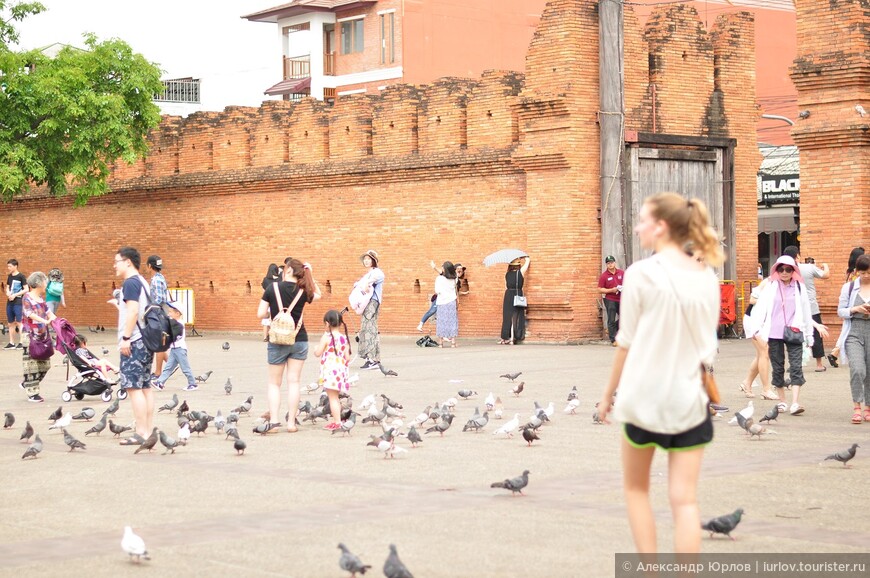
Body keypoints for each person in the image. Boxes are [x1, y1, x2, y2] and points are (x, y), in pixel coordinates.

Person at [597, 192, 722, 554]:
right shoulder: (707, 277)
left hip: (643, 398)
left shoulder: (640, 274)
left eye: (642, 220)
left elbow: (626, 343)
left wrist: (607, 396)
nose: (638, 227)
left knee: (637, 491)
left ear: (661, 226)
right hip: (689, 401)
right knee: (685, 502)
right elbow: (707, 346)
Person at [750, 255, 828, 416]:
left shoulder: (799, 288)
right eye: (781, 269)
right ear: (776, 270)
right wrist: (756, 328)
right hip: (774, 333)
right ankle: (782, 401)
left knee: (796, 366)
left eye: (788, 269)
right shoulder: (771, 286)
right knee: (778, 367)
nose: (784, 272)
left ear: (794, 271)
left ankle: (795, 402)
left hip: (795, 331)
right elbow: (761, 308)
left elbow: (806, 312)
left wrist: (809, 335)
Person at [257, 257, 321, 433]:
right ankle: (291, 423)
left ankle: (275, 423)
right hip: (299, 339)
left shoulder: (272, 288)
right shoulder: (303, 291)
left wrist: (275, 312)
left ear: (290, 270)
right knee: (294, 382)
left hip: (277, 340)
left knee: (274, 384)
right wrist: (311, 274)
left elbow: (260, 313)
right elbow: (318, 295)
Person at [114, 247, 156, 446]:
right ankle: (147, 431)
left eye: (117, 261)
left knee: (133, 388)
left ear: (128, 262)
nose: (115, 265)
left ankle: (140, 432)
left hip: (135, 341)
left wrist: (126, 338)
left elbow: (132, 312)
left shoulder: (130, 283)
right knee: (146, 387)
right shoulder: (143, 282)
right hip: (146, 341)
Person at [783, 246, 830, 371]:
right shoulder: (808, 267)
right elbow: (826, 275)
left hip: (793, 308)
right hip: (811, 306)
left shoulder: (784, 270)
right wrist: (825, 265)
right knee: (816, 334)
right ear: (798, 256)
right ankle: (819, 364)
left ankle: (795, 363)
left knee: (793, 334)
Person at [836, 254, 870, 424]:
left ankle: (868, 407)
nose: (866, 276)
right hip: (854, 332)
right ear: (857, 272)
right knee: (858, 369)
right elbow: (840, 311)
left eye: (869, 272)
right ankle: (857, 406)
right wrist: (855, 308)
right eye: (863, 272)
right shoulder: (848, 288)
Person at [739, 277, 777, 400]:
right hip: (754, 320)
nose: (785, 272)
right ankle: (766, 389)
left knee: (763, 354)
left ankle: (747, 382)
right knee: (764, 352)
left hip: (765, 322)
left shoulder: (789, 283)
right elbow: (752, 300)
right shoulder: (769, 282)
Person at [314, 309, 352, 430]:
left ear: (327, 323)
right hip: (340, 372)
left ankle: (337, 422)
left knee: (332, 398)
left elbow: (318, 353)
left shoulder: (326, 337)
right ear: (341, 323)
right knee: (335, 397)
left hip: (330, 371)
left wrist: (316, 348)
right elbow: (348, 357)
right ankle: (338, 419)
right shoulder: (344, 338)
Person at [21, 271, 56, 402]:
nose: (46, 284)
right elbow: (29, 313)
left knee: (45, 364)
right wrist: (44, 321)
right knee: (32, 366)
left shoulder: (41, 300)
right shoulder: (27, 297)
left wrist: (57, 321)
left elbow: (48, 312)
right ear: (38, 283)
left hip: (42, 336)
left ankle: (28, 383)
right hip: (30, 335)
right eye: (45, 281)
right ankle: (32, 393)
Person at [828, 247, 865, 368]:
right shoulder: (856, 273)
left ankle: (835, 352)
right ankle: (835, 352)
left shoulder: (849, 270)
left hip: (849, 307)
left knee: (845, 331)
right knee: (846, 331)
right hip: (853, 307)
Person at [152, 303, 197, 391]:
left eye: (171, 312)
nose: (169, 314)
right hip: (174, 349)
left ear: (177, 313)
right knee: (168, 367)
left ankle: (192, 383)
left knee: (185, 368)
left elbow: (175, 335)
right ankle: (160, 382)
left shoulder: (179, 324)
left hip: (180, 349)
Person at [355, 250, 384, 369]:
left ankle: (373, 359)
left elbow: (374, 280)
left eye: (369, 258)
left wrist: (365, 284)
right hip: (367, 303)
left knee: (370, 329)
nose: (366, 261)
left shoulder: (377, 272)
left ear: (374, 260)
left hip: (372, 302)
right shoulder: (369, 273)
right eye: (365, 259)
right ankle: (370, 358)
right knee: (366, 328)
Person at [146, 255, 169, 379]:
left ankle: (158, 372)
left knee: (159, 343)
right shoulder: (159, 278)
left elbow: (160, 298)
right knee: (158, 342)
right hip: (160, 313)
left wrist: (151, 307)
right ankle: (171, 364)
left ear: (150, 266)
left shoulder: (156, 280)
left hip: (159, 314)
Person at [500, 256, 530, 345]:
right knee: (516, 316)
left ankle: (505, 337)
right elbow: (527, 263)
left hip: (508, 295)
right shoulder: (520, 272)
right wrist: (525, 257)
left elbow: (506, 286)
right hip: (517, 294)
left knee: (507, 316)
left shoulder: (507, 274)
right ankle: (514, 337)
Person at [598, 255, 625, 346]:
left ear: (615, 263)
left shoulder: (621, 273)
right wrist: (611, 290)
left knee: (625, 317)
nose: (610, 264)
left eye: (612, 262)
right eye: (608, 263)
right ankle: (613, 340)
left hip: (621, 298)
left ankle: (611, 330)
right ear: (606, 265)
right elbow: (600, 289)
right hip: (610, 299)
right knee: (611, 319)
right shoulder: (604, 276)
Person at [434, 261, 459, 347]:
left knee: (441, 321)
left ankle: (441, 342)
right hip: (452, 302)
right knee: (452, 321)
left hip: (442, 302)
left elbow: (437, 291)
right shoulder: (455, 279)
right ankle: (453, 342)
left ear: (444, 269)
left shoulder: (439, 279)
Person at [6, 258, 28, 349]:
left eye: (10, 266)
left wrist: (15, 295)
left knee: (19, 322)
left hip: (18, 302)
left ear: (15, 266)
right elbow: (7, 287)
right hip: (9, 302)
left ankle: (21, 342)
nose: (8, 268)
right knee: (10, 323)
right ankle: (11, 343)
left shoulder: (21, 276)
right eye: (8, 266)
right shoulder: (9, 276)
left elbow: (26, 289)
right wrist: (8, 293)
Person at [260, 263, 281, 341]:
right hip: (277, 302)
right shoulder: (279, 279)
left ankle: (265, 337)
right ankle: (273, 336)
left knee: (266, 320)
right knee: (275, 319)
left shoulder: (265, 279)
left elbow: (263, 291)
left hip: (267, 301)